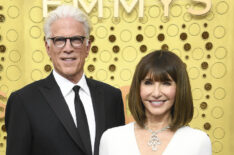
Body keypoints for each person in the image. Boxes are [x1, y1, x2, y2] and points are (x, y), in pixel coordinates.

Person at [5, 5, 125, 155]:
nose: (68, 48)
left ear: (87, 47)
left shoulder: (111, 97)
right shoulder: (23, 101)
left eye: (76, 39)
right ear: (48, 47)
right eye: (59, 40)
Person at [99, 50, 212, 155]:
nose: (156, 93)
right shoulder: (111, 138)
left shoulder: (198, 141)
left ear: (180, 88)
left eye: (166, 83)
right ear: (138, 87)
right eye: (148, 83)